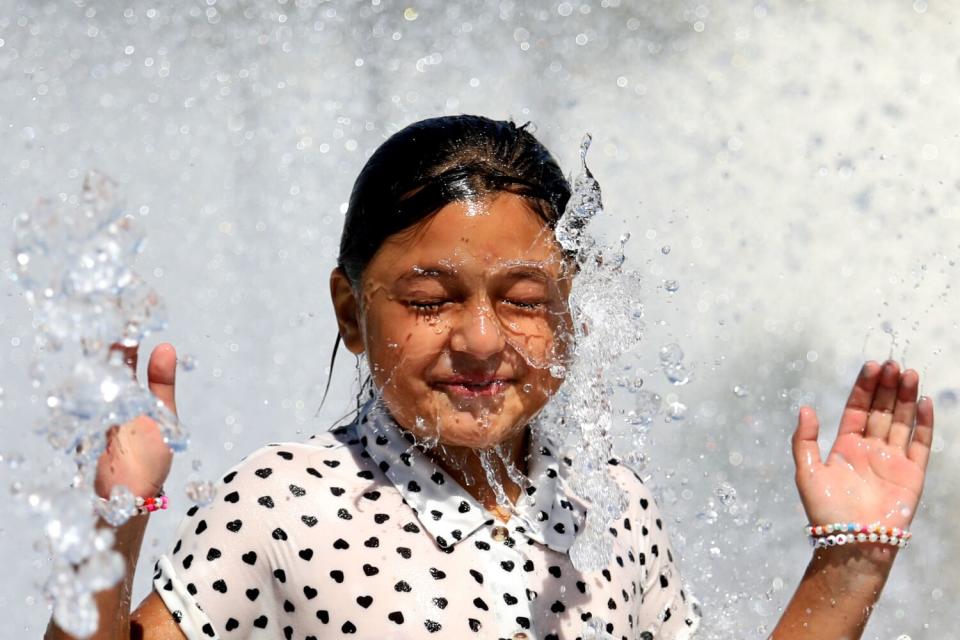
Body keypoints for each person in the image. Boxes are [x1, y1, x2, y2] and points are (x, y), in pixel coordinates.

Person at [44, 115, 936, 640]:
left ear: (572, 313)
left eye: (522, 299)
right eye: (429, 300)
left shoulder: (610, 508)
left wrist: (848, 567)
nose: (480, 340)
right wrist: (113, 520)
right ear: (351, 312)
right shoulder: (283, 507)